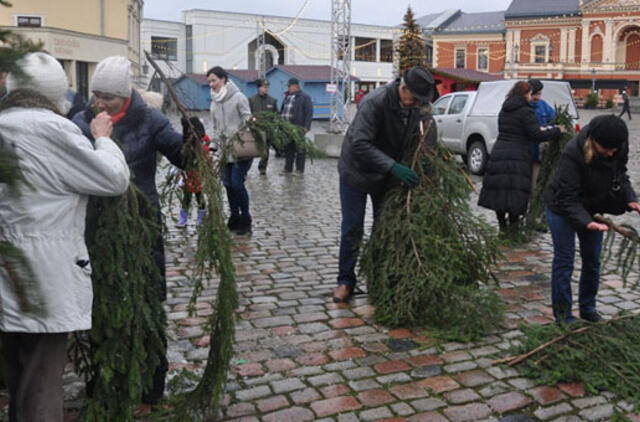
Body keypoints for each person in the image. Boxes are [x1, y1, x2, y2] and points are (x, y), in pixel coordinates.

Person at [0, 52, 130, 421]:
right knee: (41, 380)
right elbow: (112, 179)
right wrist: (103, 139)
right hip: (43, 277)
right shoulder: (53, 130)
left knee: (17, 374)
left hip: (7, 270)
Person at [72, 55, 186, 404]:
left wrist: (193, 141)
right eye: (97, 95)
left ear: (127, 95)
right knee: (100, 298)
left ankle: (152, 380)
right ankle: (103, 375)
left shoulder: (150, 120)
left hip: (142, 224)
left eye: (110, 96)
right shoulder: (80, 122)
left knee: (146, 298)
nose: (101, 102)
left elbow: (183, 157)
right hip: (96, 225)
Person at [333, 66, 437, 303]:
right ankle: (345, 281)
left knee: (385, 225)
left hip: (385, 174)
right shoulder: (375, 102)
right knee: (353, 228)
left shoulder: (414, 105)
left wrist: (425, 159)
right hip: (356, 172)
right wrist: (393, 167)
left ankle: (379, 276)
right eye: (414, 99)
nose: (416, 104)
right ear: (403, 88)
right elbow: (360, 143)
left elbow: (426, 129)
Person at [545, 115, 640, 323]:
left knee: (592, 261)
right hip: (561, 207)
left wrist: (630, 198)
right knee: (564, 261)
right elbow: (567, 197)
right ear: (593, 140)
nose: (610, 153)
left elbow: (620, 175)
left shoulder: (617, 147)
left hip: (593, 210)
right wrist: (585, 222)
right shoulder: (573, 153)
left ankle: (588, 309)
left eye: (614, 149)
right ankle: (563, 316)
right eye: (606, 148)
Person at [478, 81, 566, 233]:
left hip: (500, 152)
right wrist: (558, 131)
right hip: (517, 156)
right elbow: (536, 134)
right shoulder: (526, 111)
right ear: (524, 94)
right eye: (530, 93)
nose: (531, 97)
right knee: (515, 192)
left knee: (500, 190)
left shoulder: (505, 108)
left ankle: (502, 226)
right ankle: (513, 228)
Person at [207, 66, 253, 234]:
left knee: (237, 183)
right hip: (224, 151)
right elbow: (215, 127)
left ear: (223, 79)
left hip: (241, 149)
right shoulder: (214, 102)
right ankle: (234, 217)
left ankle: (245, 219)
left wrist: (237, 136)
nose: (211, 84)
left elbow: (248, 119)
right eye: (209, 82)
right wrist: (213, 147)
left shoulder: (239, 97)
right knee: (227, 184)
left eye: (214, 80)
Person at [177, 120, 210, 228]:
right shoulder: (185, 143)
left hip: (198, 173)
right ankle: (183, 218)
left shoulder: (203, 144)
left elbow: (206, 157)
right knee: (186, 196)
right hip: (187, 173)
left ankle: (202, 216)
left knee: (199, 195)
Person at [528, 79, 557, 194]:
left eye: (539, 94)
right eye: (534, 94)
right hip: (525, 154)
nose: (537, 97)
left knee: (536, 186)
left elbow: (554, 119)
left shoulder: (543, 106)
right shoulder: (523, 107)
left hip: (539, 156)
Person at [281, 77, 313, 174]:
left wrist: (306, 127)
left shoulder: (305, 97)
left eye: (290, 86)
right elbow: (282, 110)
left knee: (299, 149)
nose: (288, 88)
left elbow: (309, 113)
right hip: (287, 128)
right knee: (288, 148)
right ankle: (288, 168)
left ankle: (299, 169)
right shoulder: (287, 96)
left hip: (298, 127)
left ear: (296, 86)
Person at [249, 78, 278, 176]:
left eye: (267, 87)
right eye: (264, 87)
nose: (266, 89)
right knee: (251, 151)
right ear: (259, 88)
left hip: (267, 130)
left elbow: (276, 115)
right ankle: (246, 168)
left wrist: (274, 126)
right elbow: (247, 114)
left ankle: (262, 168)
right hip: (255, 130)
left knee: (265, 151)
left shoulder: (272, 101)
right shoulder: (252, 100)